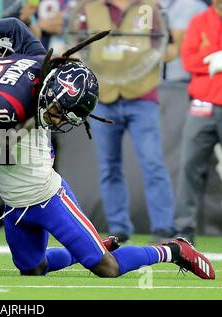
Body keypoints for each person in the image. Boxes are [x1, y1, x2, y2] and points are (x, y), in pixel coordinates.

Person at [0, 18, 215, 279]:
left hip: (48, 198)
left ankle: (172, 250)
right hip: (14, 205)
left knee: (106, 268)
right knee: (32, 269)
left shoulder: (18, 103)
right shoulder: (10, 90)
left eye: (0, 59)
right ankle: (97, 244)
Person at [77, 0, 176, 244]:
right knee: (109, 167)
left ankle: (164, 228)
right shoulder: (88, 9)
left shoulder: (151, 8)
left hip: (142, 95)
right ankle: (119, 228)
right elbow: (76, 46)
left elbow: (171, 48)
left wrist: (147, 58)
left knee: (153, 163)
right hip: (104, 97)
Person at [175, 0, 222, 243]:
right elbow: (188, 60)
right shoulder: (199, 21)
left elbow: (196, 60)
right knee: (189, 167)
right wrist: (214, 58)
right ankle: (184, 231)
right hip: (202, 104)